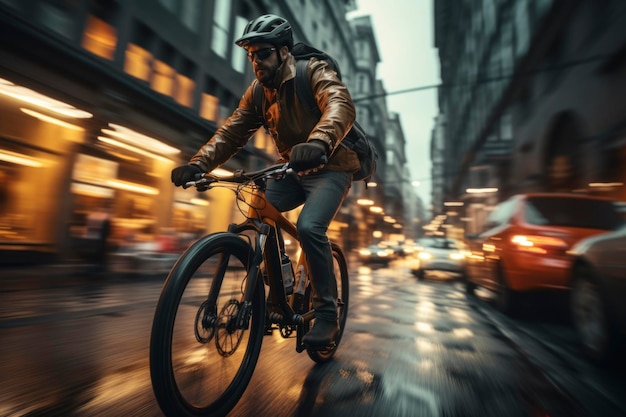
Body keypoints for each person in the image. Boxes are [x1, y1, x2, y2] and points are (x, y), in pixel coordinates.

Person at [171, 14, 360, 348]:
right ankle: (274, 296)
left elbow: (339, 104)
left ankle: (327, 315)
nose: (256, 61)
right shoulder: (258, 92)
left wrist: (319, 143)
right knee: (257, 210)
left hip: (331, 166)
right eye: (251, 55)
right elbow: (232, 131)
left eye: (263, 53)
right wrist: (198, 164)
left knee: (309, 228)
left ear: (283, 52)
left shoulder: (312, 70)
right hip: (291, 170)